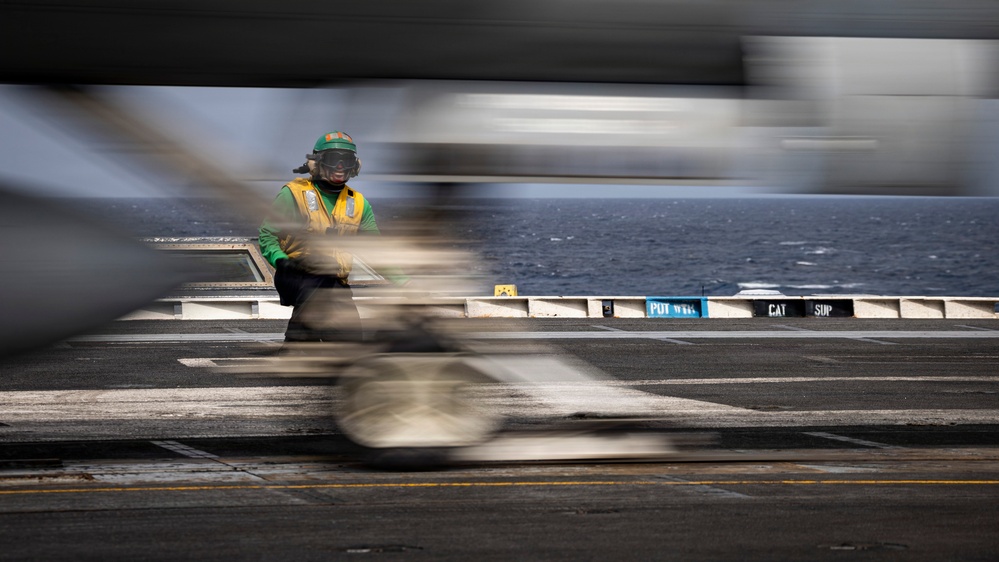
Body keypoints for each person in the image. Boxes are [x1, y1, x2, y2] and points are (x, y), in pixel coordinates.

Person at [259, 131, 380, 342]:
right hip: (295, 275)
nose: (340, 167)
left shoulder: (359, 203)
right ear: (316, 163)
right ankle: (297, 344)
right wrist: (281, 261)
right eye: (334, 159)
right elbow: (267, 235)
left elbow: (378, 250)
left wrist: (404, 282)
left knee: (351, 344)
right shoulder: (293, 194)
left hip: (334, 281)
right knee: (320, 273)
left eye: (347, 160)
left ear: (356, 165)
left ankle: (307, 348)